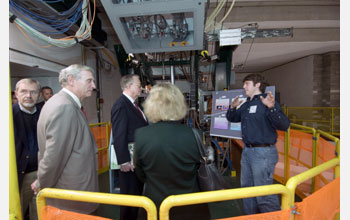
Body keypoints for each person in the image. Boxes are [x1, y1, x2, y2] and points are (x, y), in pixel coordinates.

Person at [134, 83, 211, 220]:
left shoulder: (141, 135)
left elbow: (140, 173)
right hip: (190, 206)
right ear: (179, 104)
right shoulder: (195, 134)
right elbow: (200, 169)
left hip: (155, 207)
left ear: (151, 105)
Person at [31, 64, 99, 214]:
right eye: (89, 81)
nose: (93, 86)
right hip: (71, 196)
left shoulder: (60, 102)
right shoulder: (65, 107)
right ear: (71, 80)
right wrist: (42, 184)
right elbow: (53, 156)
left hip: (69, 192)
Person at [225, 73, 290, 214]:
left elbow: (284, 125)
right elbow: (233, 118)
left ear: (257, 85)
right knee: (247, 189)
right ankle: (250, 216)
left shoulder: (266, 102)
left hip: (263, 153)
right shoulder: (247, 104)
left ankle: (275, 217)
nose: (244, 87)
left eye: (247, 83)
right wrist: (232, 107)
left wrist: (272, 108)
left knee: (263, 193)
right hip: (248, 151)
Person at [111, 74, 148, 220]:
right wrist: (124, 161)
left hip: (136, 159)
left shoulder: (133, 105)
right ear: (128, 86)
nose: (141, 88)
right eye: (138, 85)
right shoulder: (121, 105)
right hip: (129, 162)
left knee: (136, 194)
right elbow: (119, 135)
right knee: (130, 196)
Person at [12, 78, 42, 220]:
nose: (28, 96)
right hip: (19, 175)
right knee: (18, 212)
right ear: (16, 93)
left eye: (33, 92)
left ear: (39, 94)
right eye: (24, 91)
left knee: (40, 212)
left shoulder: (44, 113)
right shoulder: (8, 115)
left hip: (42, 173)